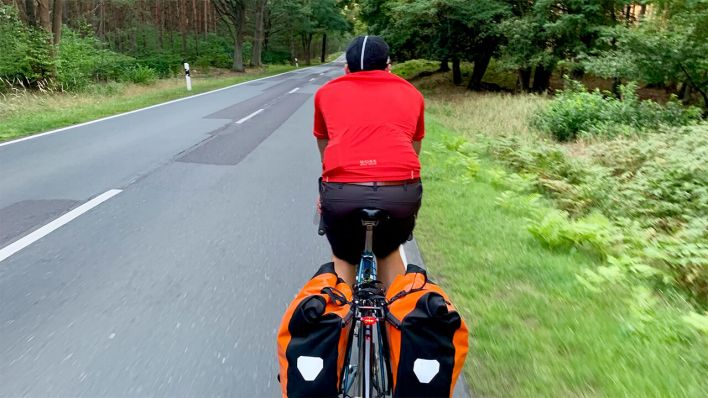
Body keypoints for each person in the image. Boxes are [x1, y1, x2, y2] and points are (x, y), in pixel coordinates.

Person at [314, 35, 425, 288]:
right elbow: (413, 147)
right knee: (388, 252)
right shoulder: (412, 93)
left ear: (346, 69)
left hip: (343, 193)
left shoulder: (325, 93)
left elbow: (325, 144)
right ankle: (400, 318)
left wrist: (329, 183)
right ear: (388, 67)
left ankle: (340, 319)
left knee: (343, 257)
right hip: (400, 194)